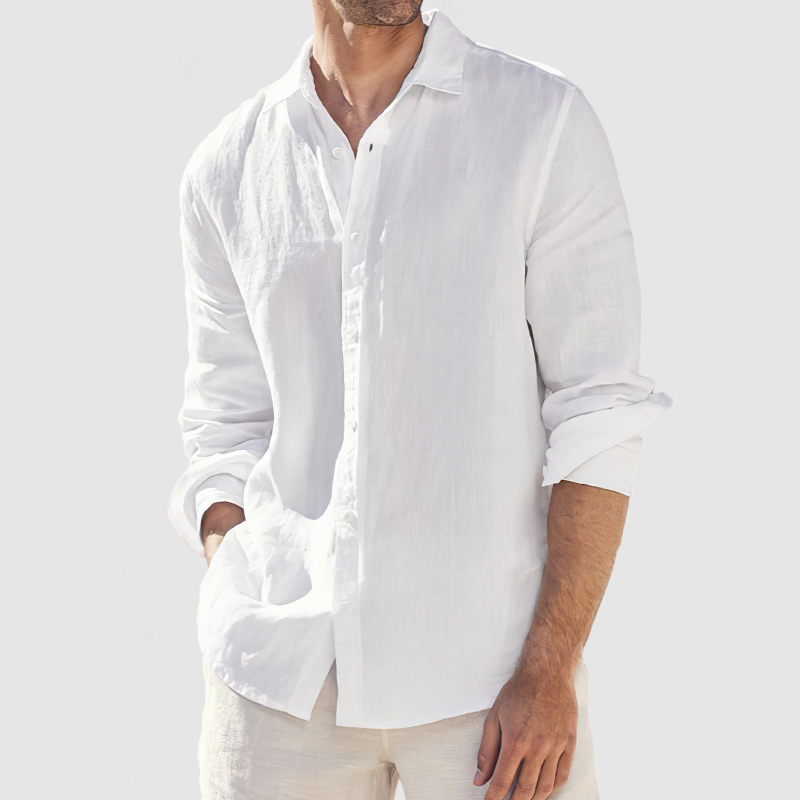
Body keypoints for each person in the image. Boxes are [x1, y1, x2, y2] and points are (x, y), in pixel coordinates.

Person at [168, 3, 672, 799]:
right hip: (278, 686)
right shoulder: (229, 167)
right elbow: (223, 419)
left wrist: (549, 667)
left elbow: (598, 411)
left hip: (493, 687)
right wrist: (236, 563)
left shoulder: (540, 124)